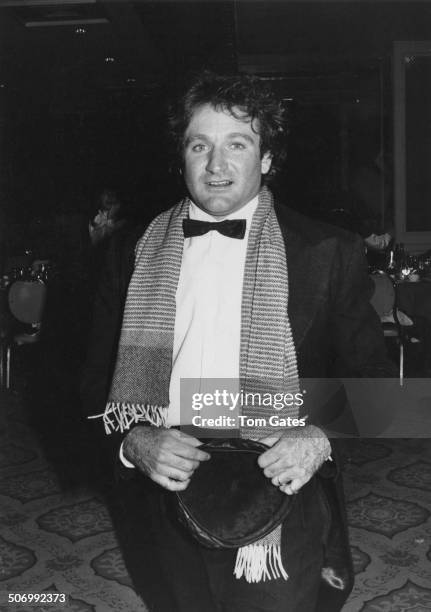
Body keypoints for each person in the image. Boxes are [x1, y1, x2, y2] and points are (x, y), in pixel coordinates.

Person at [81, 72, 394, 612]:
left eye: (238, 144)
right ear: (181, 157)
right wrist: (134, 441)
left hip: (277, 472)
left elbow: (382, 390)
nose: (216, 165)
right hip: (167, 475)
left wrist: (317, 437)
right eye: (199, 145)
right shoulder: (129, 251)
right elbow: (91, 381)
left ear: (266, 160)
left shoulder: (327, 251)